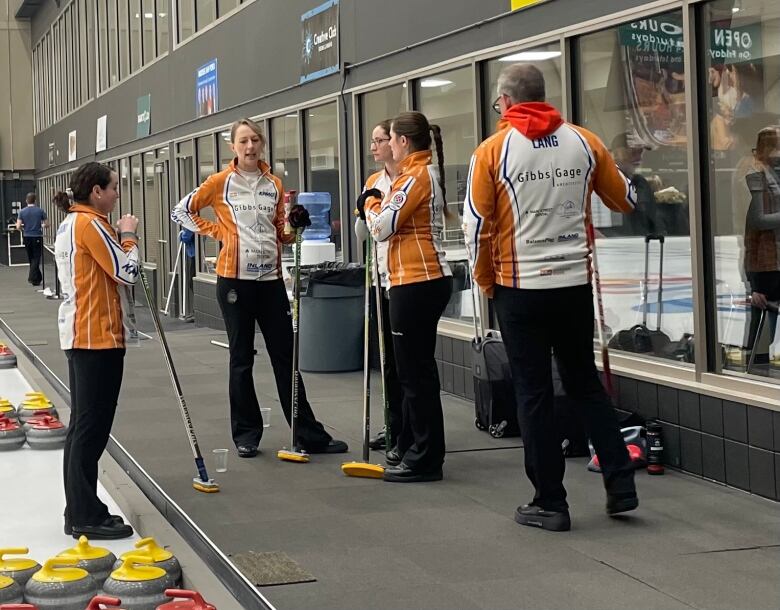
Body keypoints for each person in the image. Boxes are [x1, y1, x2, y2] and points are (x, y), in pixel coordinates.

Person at [464, 64, 639, 531]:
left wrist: (485, 283)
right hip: (574, 285)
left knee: (534, 393)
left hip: (519, 288)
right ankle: (621, 484)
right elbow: (626, 198)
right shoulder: (583, 141)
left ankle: (550, 502)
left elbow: (476, 228)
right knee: (585, 383)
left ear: (504, 102)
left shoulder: (492, 151)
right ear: (544, 97)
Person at [171, 118, 347, 458]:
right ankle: (246, 435)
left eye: (255, 140)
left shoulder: (274, 184)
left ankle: (306, 433)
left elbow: (282, 233)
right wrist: (217, 232)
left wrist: (295, 227)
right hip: (234, 282)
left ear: (261, 144)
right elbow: (182, 210)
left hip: (270, 282)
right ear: (233, 147)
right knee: (241, 358)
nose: (250, 147)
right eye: (243, 141)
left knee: (286, 357)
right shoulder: (219, 182)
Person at [361, 111, 453, 483]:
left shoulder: (415, 176)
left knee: (415, 375)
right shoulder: (415, 174)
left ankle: (425, 457)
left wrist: (368, 205)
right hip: (411, 280)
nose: (385, 146)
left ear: (402, 142)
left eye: (390, 139)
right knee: (414, 372)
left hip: (417, 281)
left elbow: (382, 227)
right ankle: (416, 446)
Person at [53, 162, 139, 539]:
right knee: (90, 428)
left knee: (84, 427)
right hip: (95, 336)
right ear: (96, 192)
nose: (118, 194)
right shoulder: (89, 224)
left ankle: (81, 508)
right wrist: (129, 235)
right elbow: (127, 271)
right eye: (114, 188)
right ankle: (84, 513)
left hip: (86, 333)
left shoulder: (76, 221)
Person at [354, 120, 404, 455]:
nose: (373, 147)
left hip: (406, 277)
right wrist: (366, 215)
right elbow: (364, 231)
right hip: (380, 276)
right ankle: (393, 421)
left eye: (379, 140)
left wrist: (375, 219)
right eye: (372, 141)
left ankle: (408, 426)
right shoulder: (374, 182)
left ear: (396, 142)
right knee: (386, 359)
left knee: (405, 361)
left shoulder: (411, 179)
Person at [743, 126, 780, 369]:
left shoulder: (773, 176)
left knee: (769, 313)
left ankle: (758, 360)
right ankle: (756, 362)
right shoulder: (758, 177)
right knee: (765, 312)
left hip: (771, 259)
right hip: (765, 262)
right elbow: (758, 220)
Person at [611, 133, 657, 236]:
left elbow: (652, 223)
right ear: (616, 154)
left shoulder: (641, 183)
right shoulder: (607, 183)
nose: (639, 157)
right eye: (632, 152)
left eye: (641, 152)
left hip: (645, 246)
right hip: (617, 246)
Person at [15, 192, 48, 286]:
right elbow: (47, 224)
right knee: (36, 257)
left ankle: (37, 279)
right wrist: (42, 225)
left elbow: (18, 226)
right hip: (37, 236)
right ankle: (33, 277)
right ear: (35, 200)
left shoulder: (22, 212)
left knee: (31, 257)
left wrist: (23, 229)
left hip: (26, 236)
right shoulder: (40, 211)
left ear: (26, 200)